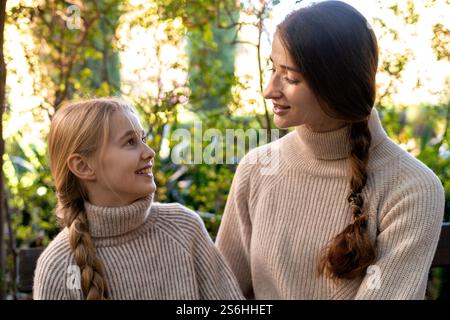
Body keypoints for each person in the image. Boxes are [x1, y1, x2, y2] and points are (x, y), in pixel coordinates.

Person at [216, 1, 445, 299]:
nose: (269, 90)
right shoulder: (257, 168)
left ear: (336, 85)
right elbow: (219, 293)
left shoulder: (412, 188)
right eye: (273, 68)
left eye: (290, 77)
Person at [33, 98, 244, 300]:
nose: (149, 152)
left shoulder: (183, 228)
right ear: (83, 166)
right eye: (130, 142)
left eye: (142, 139)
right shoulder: (59, 266)